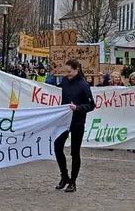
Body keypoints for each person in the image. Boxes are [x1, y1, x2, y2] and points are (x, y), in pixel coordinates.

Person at [54, 59, 95, 192]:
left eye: (69, 72)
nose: (67, 74)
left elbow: (91, 105)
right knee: (57, 146)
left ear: (76, 69)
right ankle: (64, 176)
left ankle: (73, 181)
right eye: (65, 72)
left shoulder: (84, 85)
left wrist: (77, 107)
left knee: (74, 152)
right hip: (64, 121)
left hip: (77, 121)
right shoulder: (65, 81)